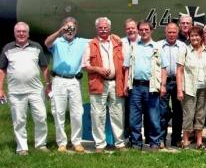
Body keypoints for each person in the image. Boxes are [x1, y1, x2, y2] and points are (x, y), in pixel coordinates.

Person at [0, 22, 50, 156]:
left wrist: (48, 84)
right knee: (19, 120)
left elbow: (44, 67)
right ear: (14, 33)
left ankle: (41, 144)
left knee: (41, 118)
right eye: (18, 31)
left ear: (28, 33)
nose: (21, 34)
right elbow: (2, 70)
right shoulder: (7, 48)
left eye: (24, 31)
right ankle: (22, 148)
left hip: (36, 91)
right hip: (16, 92)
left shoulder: (37, 47)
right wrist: (0, 89)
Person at [45, 17, 89, 153]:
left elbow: (100, 40)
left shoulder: (82, 42)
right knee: (58, 112)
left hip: (74, 80)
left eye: (72, 28)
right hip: (59, 80)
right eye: (67, 28)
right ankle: (62, 143)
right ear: (63, 28)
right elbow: (46, 43)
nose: (70, 31)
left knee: (77, 113)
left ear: (76, 29)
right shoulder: (57, 42)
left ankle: (76, 141)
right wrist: (59, 32)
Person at [82, 17, 126, 152]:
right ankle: (100, 145)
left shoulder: (118, 42)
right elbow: (85, 65)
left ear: (110, 28)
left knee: (118, 113)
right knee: (98, 114)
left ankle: (119, 143)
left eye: (105, 27)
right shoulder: (91, 44)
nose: (103, 30)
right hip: (99, 83)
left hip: (116, 82)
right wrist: (98, 69)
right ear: (97, 29)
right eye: (100, 28)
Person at [124, 21, 168, 151]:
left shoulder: (157, 47)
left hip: (152, 87)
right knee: (134, 118)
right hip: (136, 87)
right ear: (138, 31)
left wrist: (163, 85)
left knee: (154, 117)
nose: (144, 32)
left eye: (146, 29)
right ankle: (136, 143)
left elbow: (164, 68)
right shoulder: (133, 47)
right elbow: (127, 68)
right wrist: (126, 84)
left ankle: (154, 142)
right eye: (141, 30)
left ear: (151, 30)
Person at [177, 26, 206, 149]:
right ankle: (186, 141)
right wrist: (179, 89)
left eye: (197, 35)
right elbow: (179, 71)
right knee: (188, 115)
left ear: (201, 37)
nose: (194, 38)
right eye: (192, 35)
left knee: (201, 114)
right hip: (188, 88)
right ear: (189, 37)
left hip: (203, 88)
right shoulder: (185, 50)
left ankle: (199, 142)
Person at [159, 23, 186, 148]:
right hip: (163, 81)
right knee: (163, 111)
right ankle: (161, 139)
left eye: (174, 32)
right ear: (165, 32)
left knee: (178, 112)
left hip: (178, 82)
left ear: (177, 32)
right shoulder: (159, 45)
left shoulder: (183, 46)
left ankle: (176, 139)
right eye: (169, 32)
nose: (171, 34)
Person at [121, 18, 139, 140]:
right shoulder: (120, 43)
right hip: (124, 80)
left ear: (137, 29)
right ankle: (127, 135)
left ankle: (144, 136)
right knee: (127, 110)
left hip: (139, 80)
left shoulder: (143, 42)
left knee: (140, 111)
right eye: (128, 28)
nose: (131, 30)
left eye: (133, 27)